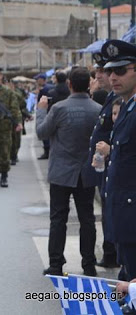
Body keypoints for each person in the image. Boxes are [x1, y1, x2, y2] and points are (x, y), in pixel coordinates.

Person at [36, 67, 101, 277]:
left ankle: (56, 264)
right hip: (86, 172)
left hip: (61, 172)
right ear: (88, 84)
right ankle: (89, 265)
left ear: (70, 84)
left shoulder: (59, 109)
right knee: (87, 219)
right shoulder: (98, 109)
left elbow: (41, 132)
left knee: (57, 219)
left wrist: (40, 110)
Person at [95, 40, 136, 280]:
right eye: (109, 70)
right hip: (124, 217)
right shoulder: (127, 107)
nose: (112, 76)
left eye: (120, 70)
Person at [84, 54, 121, 269]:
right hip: (106, 166)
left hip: (115, 167)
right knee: (108, 212)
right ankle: (112, 253)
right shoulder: (109, 97)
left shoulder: (115, 98)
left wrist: (110, 150)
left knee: (113, 214)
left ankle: (112, 253)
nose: (100, 76)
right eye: (99, 71)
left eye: (104, 71)